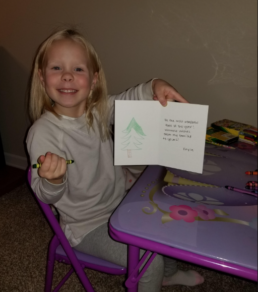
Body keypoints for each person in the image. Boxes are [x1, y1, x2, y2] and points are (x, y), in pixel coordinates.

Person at [26, 28, 204, 292]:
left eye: (78, 69)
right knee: (148, 262)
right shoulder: (43, 133)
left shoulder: (96, 111)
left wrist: (154, 85)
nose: (66, 75)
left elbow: (129, 100)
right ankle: (158, 273)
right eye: (56, 67)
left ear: (94, 79)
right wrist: (55, 179)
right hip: (86, 225)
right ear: (41, 77)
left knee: (168, 221)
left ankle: (170, 273)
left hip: (121, 201)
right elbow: (46, 195)